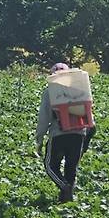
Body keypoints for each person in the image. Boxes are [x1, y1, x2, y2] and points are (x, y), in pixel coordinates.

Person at [35, 62, 96, 203]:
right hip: (79, 134)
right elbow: (89, 114)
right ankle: (67, 198)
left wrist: (39, 138)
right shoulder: (79, 88)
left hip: (59, 133)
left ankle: (64, 187)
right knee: (71, 167)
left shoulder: (49, 91)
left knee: (50, 166)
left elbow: (44, 117)